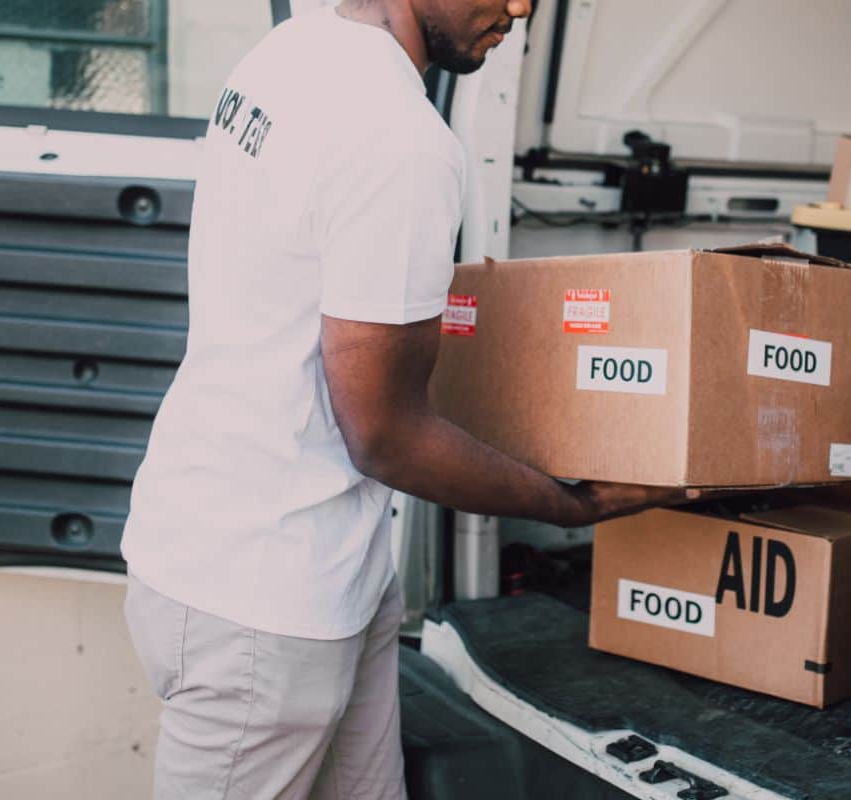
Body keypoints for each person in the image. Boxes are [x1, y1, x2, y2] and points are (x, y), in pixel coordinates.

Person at [120, 0, 690, 797]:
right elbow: (385, 434)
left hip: (290, 557)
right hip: (262, 600)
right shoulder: (398, 137)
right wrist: (571, 505)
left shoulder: (286, 54)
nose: (522, 7)